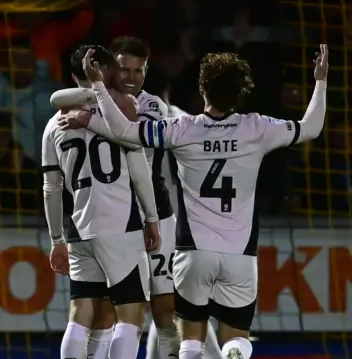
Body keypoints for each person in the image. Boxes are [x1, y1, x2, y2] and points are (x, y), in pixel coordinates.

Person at [51, 45, 328, 359]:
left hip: (192, 254)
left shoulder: (183, 129)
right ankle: (235, 352)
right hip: (239, 254)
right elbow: (311, 127)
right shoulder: (258, 127)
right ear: (240, 93)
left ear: (202, 90)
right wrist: (320, 82)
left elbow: (125, 131)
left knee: (189, 340)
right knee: (236, 336)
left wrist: (95, 97)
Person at [52, 36, 223, 359]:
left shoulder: (151, 106)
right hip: (114, 219)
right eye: (124, 69)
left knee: (163, 309)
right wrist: (97, 94)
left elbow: (131, 136)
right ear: (108, 69)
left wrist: (89, 117)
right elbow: (56, 97)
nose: (131, 77)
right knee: (104, 312)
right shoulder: (95, 99)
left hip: (153, 213)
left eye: (139, 71)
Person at [42, 44, 160, 359]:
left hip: (79, 228)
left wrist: (57, 239)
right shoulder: (120, 112)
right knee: (131, 312)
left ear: (71, 76)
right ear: (106, 72)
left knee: (81, 312)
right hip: (120, 223)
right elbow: (139, 171)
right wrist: (151, 217)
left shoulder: (53, 124)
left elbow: (51, 187)